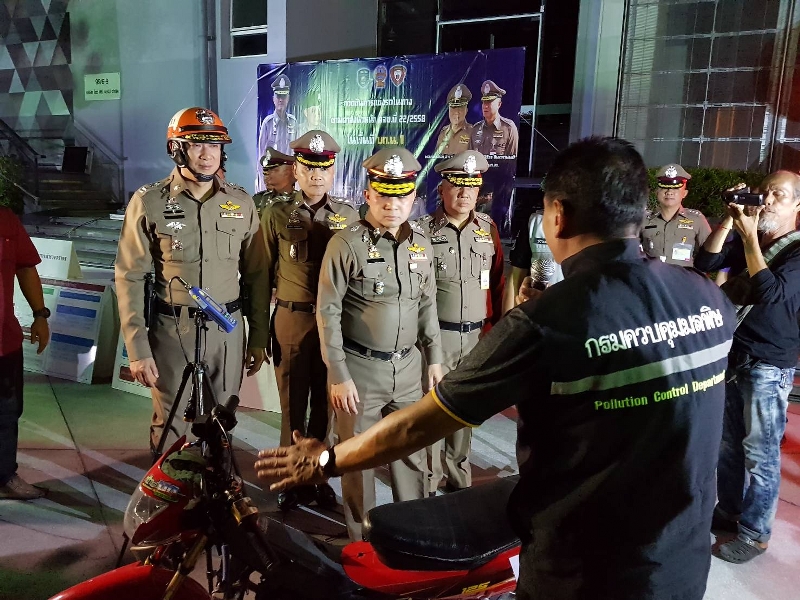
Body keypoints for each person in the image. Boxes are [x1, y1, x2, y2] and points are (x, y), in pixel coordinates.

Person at [256, 136, 737, 600]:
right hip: (681, 564)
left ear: (558, 215)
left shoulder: (548, 322)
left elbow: (420, 425)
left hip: (583, 571)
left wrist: (326, 460)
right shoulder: (708, 300)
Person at [115, 107, 270, 455]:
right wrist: (138, 349)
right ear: (176, 149)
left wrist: (259, 337)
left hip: (226, 330)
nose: (207, 154)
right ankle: (166, 488)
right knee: (170, 423)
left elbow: (257, 276)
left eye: (214, 145)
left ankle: (215, 488)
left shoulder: (241, 202)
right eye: (197, 144)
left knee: (222, 421)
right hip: (173, 330)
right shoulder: (149, 202)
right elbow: (129, 277)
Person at [315, 146, 443, 541]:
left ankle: (412, 536)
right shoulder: (346, 243)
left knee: (411, 452)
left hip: (407, 369)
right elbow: (327, 312)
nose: (392, 204)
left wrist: (435, 358)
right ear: (368, 194)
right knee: (357, 459)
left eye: (401, 195)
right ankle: (363, 544)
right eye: (384, 195)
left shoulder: (422, 243)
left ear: (413, 197)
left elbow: (427, 304)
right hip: (360, 372)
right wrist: (338, 375)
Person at [695, 171, 800, 564]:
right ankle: (730, 511)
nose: (768, 199)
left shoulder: (795, 251)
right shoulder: (749, 239)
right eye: (765, 191)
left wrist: (751, 236)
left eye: (779, 194)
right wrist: (729, 217)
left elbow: (769, 291)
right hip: (734, 354)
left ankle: (755, 534)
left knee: (761, 453)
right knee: (729, 445)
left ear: (797, 205)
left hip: (768, 364)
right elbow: (705, 261)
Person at [260, 130, 358, 511]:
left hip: (333, 327)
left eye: (324, 168)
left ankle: (318, 477)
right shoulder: (276, 213)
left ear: (333, 172)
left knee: (325, 408)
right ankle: (291, 477)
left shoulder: (349, 216)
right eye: (309, 168)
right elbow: (261, 274)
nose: (317, 175)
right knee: (292, 407)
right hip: (292, 320)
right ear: (296, 171)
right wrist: (259, 332)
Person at [418, 150, 504, 493]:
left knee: (463, 410)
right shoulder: (422, 232)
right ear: (442, 188)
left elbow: (497, 283)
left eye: (472, 186)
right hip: (436, 338)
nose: (465, 193)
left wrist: (495, 334)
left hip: (475, 339)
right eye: (457, 185)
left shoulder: (487, 230)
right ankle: (427, 482)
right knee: (431, 410)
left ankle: (458, 478)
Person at [0, 207, 50, 500]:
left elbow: (26, 267)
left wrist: (40, 315)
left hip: (4, 340)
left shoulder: (6, 219)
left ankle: (5, 475)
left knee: (7, 412)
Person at [641, 164, 711, 266]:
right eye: (665, 188)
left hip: (683, 275)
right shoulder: (643, 219)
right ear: (656, 192)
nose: (669, 192)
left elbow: (710, 252)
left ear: (685, 193)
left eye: (675, 189)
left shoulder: (697, 219)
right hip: (651, 275)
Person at [505, 208, 564, 313]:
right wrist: (509, 317)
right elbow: (515, 275)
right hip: (538, 314)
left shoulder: (593, 226)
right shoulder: (535, 222)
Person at [470, 80, 519, 157]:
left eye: (489, 102)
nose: (485, 106)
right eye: (484, 102)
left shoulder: (509, 128)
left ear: (499, 104)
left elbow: (511, 161)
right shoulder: (475, 129)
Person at [258, 75, 297, 161]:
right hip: (273, 168)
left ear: (288, 98)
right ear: (273, 99)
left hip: (289, 168)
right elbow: (261, 155)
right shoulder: (267, 123)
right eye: (278, 96)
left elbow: (297, 152)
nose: (281, 100)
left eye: (283, 96)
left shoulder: (293, 122)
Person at [253, 147, 296, 216]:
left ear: (289, 173)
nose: (267, 177)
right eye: (265, 174)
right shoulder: (258, 199)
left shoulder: (299, 200)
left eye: (274, 171)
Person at [435, 83, 474, 157]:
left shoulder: (473, 132)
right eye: (454, 107)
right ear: (449, 110)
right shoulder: (443, 133)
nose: (456, 112)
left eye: (460, 108)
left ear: (466, 110)